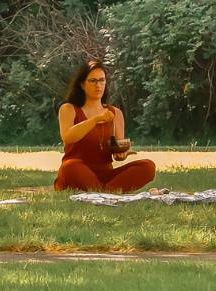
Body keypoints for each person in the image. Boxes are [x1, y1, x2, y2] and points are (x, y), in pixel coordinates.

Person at [54, 59, 156, 192]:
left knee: (148, 166)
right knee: (70, 166)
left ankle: (104, 192)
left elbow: (117, 149)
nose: (98, 85)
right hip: (77, 171)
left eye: (102, 80)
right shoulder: (68, 108)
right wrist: (95, 119)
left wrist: (121, 154)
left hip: (106, 175)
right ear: (82, 84)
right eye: (93, 81)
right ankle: (107, 192)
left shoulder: (115, 113)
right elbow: (67, 137)